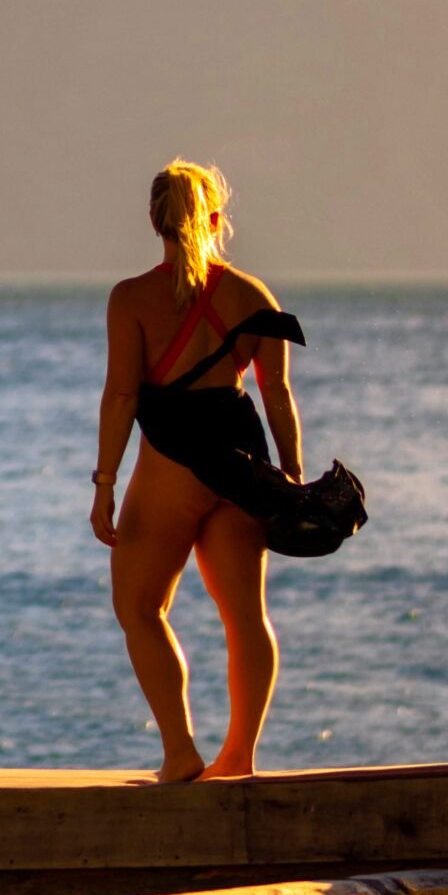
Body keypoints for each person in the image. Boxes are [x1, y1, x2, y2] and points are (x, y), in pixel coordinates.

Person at [90, 160, 303, 782]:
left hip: (174, 459)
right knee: (245, 616)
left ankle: (181, 752)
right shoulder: (252, 294)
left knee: (139, 608)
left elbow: (122, 397)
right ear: (214, 218)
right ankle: (239, 756)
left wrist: (103, 484)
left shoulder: (131, 298)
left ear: (155, 220)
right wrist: (289, 476)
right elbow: (279, 396)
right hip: (242, 459)